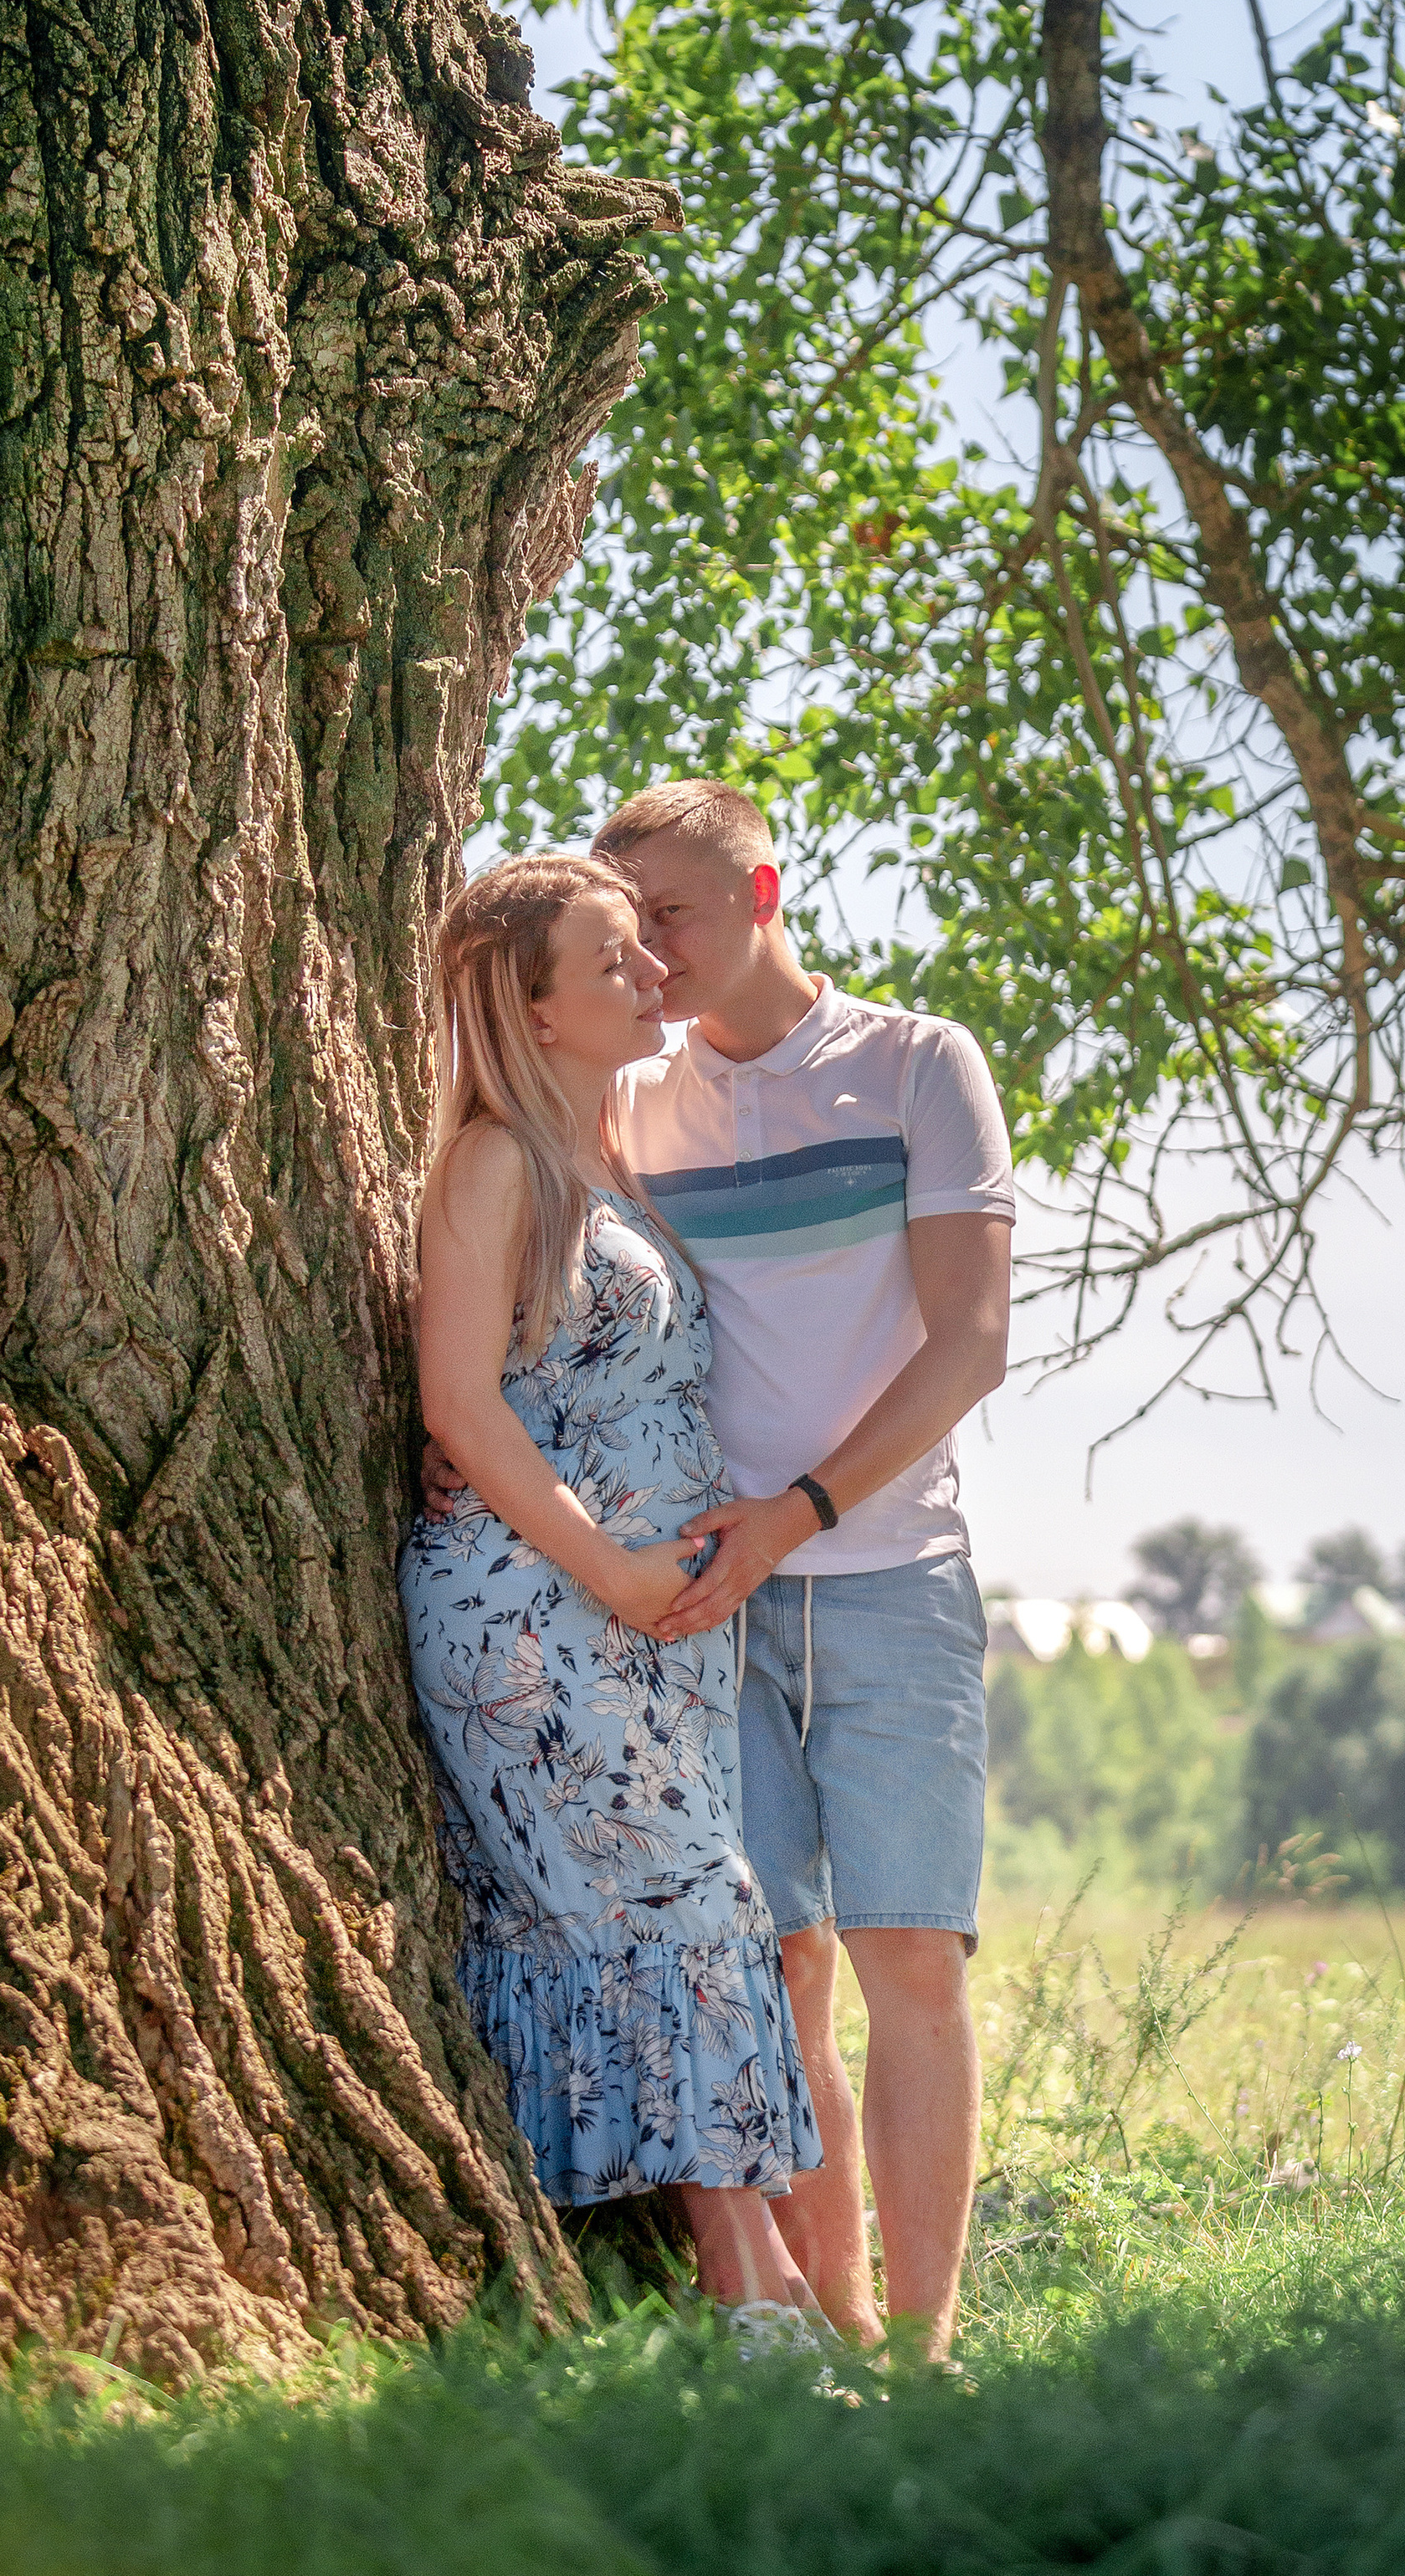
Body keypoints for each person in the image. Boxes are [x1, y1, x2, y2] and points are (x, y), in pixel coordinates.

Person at [582, 780, 1015, 2353]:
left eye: (679, 915)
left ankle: (926, 2346)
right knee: (776, 1958)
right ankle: (828, 2327)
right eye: (632, 929)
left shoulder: (917, 1064)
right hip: (708, 1596)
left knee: (910, 1949)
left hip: (894, 1573)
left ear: (764, 888)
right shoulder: (637, 1105)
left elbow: (972, 1341)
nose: (657, 954)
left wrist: (801, 1511)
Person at [399, 852, 827, 2338]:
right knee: (693, 1911)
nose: (652, 973)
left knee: (661, 1925)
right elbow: (463, 1404)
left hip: (646, 1630)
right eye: (612, 960)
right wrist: (621, 1570)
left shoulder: (601, 1154)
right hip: (540, 1617)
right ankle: (751, 2303)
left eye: (649, 947)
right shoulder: (494, 1158)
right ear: (531, 1004)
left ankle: (746, 2294)